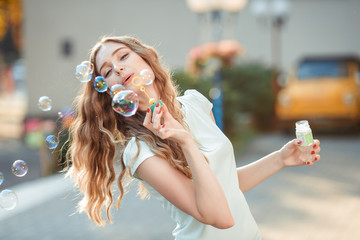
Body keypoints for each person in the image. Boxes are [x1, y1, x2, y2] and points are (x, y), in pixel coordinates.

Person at [65, 36, 321, 240]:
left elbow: (225, 185)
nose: (119, 68)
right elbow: (219, 216)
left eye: (123, 56)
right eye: (108, 71)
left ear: (145, 60)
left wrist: (279, 159)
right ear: (109, 91)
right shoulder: (139, 151)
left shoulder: (196, 104)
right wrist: (186, 142)